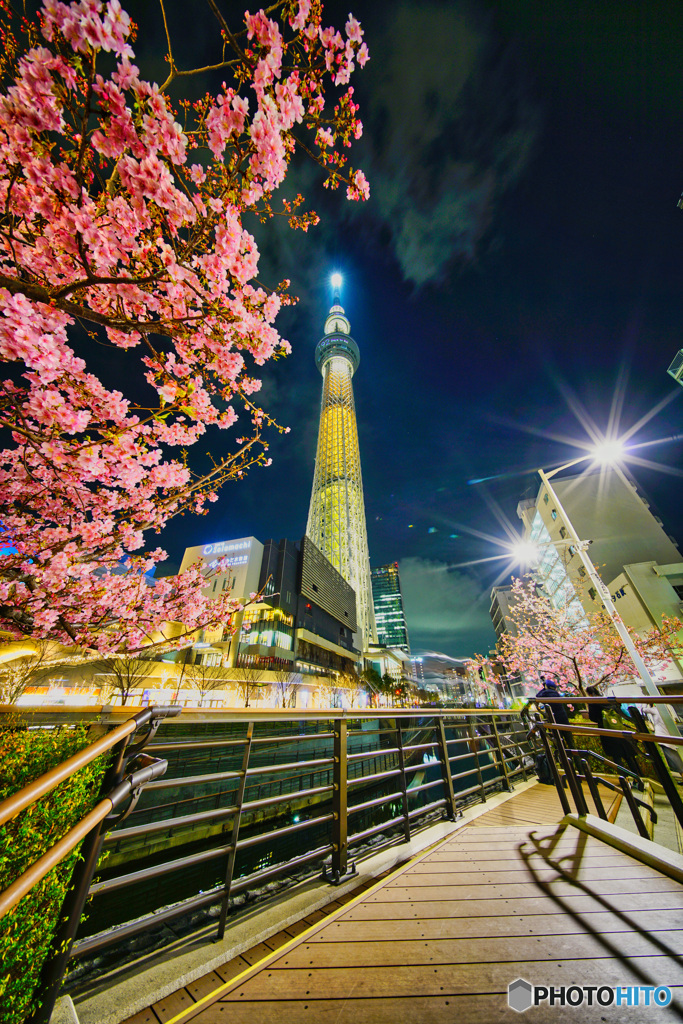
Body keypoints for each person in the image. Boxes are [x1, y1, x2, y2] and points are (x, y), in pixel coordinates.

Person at [585, 686, 641, 778]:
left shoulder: (593, 702)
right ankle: (637, 777)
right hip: (618, 728)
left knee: (616, 756)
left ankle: (624, 778)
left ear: (589, 693)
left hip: (606, 729)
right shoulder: (607, 699)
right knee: (627, 755)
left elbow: (593, 717)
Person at [534, 678, 575, 753]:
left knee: (560, 744)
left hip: (554, 721)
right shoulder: (557, 694)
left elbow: (537, 696)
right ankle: (577, 762)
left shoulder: (545, 694)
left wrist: (544, 689)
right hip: (564, 720)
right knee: (571, 743)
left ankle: (566, 762)